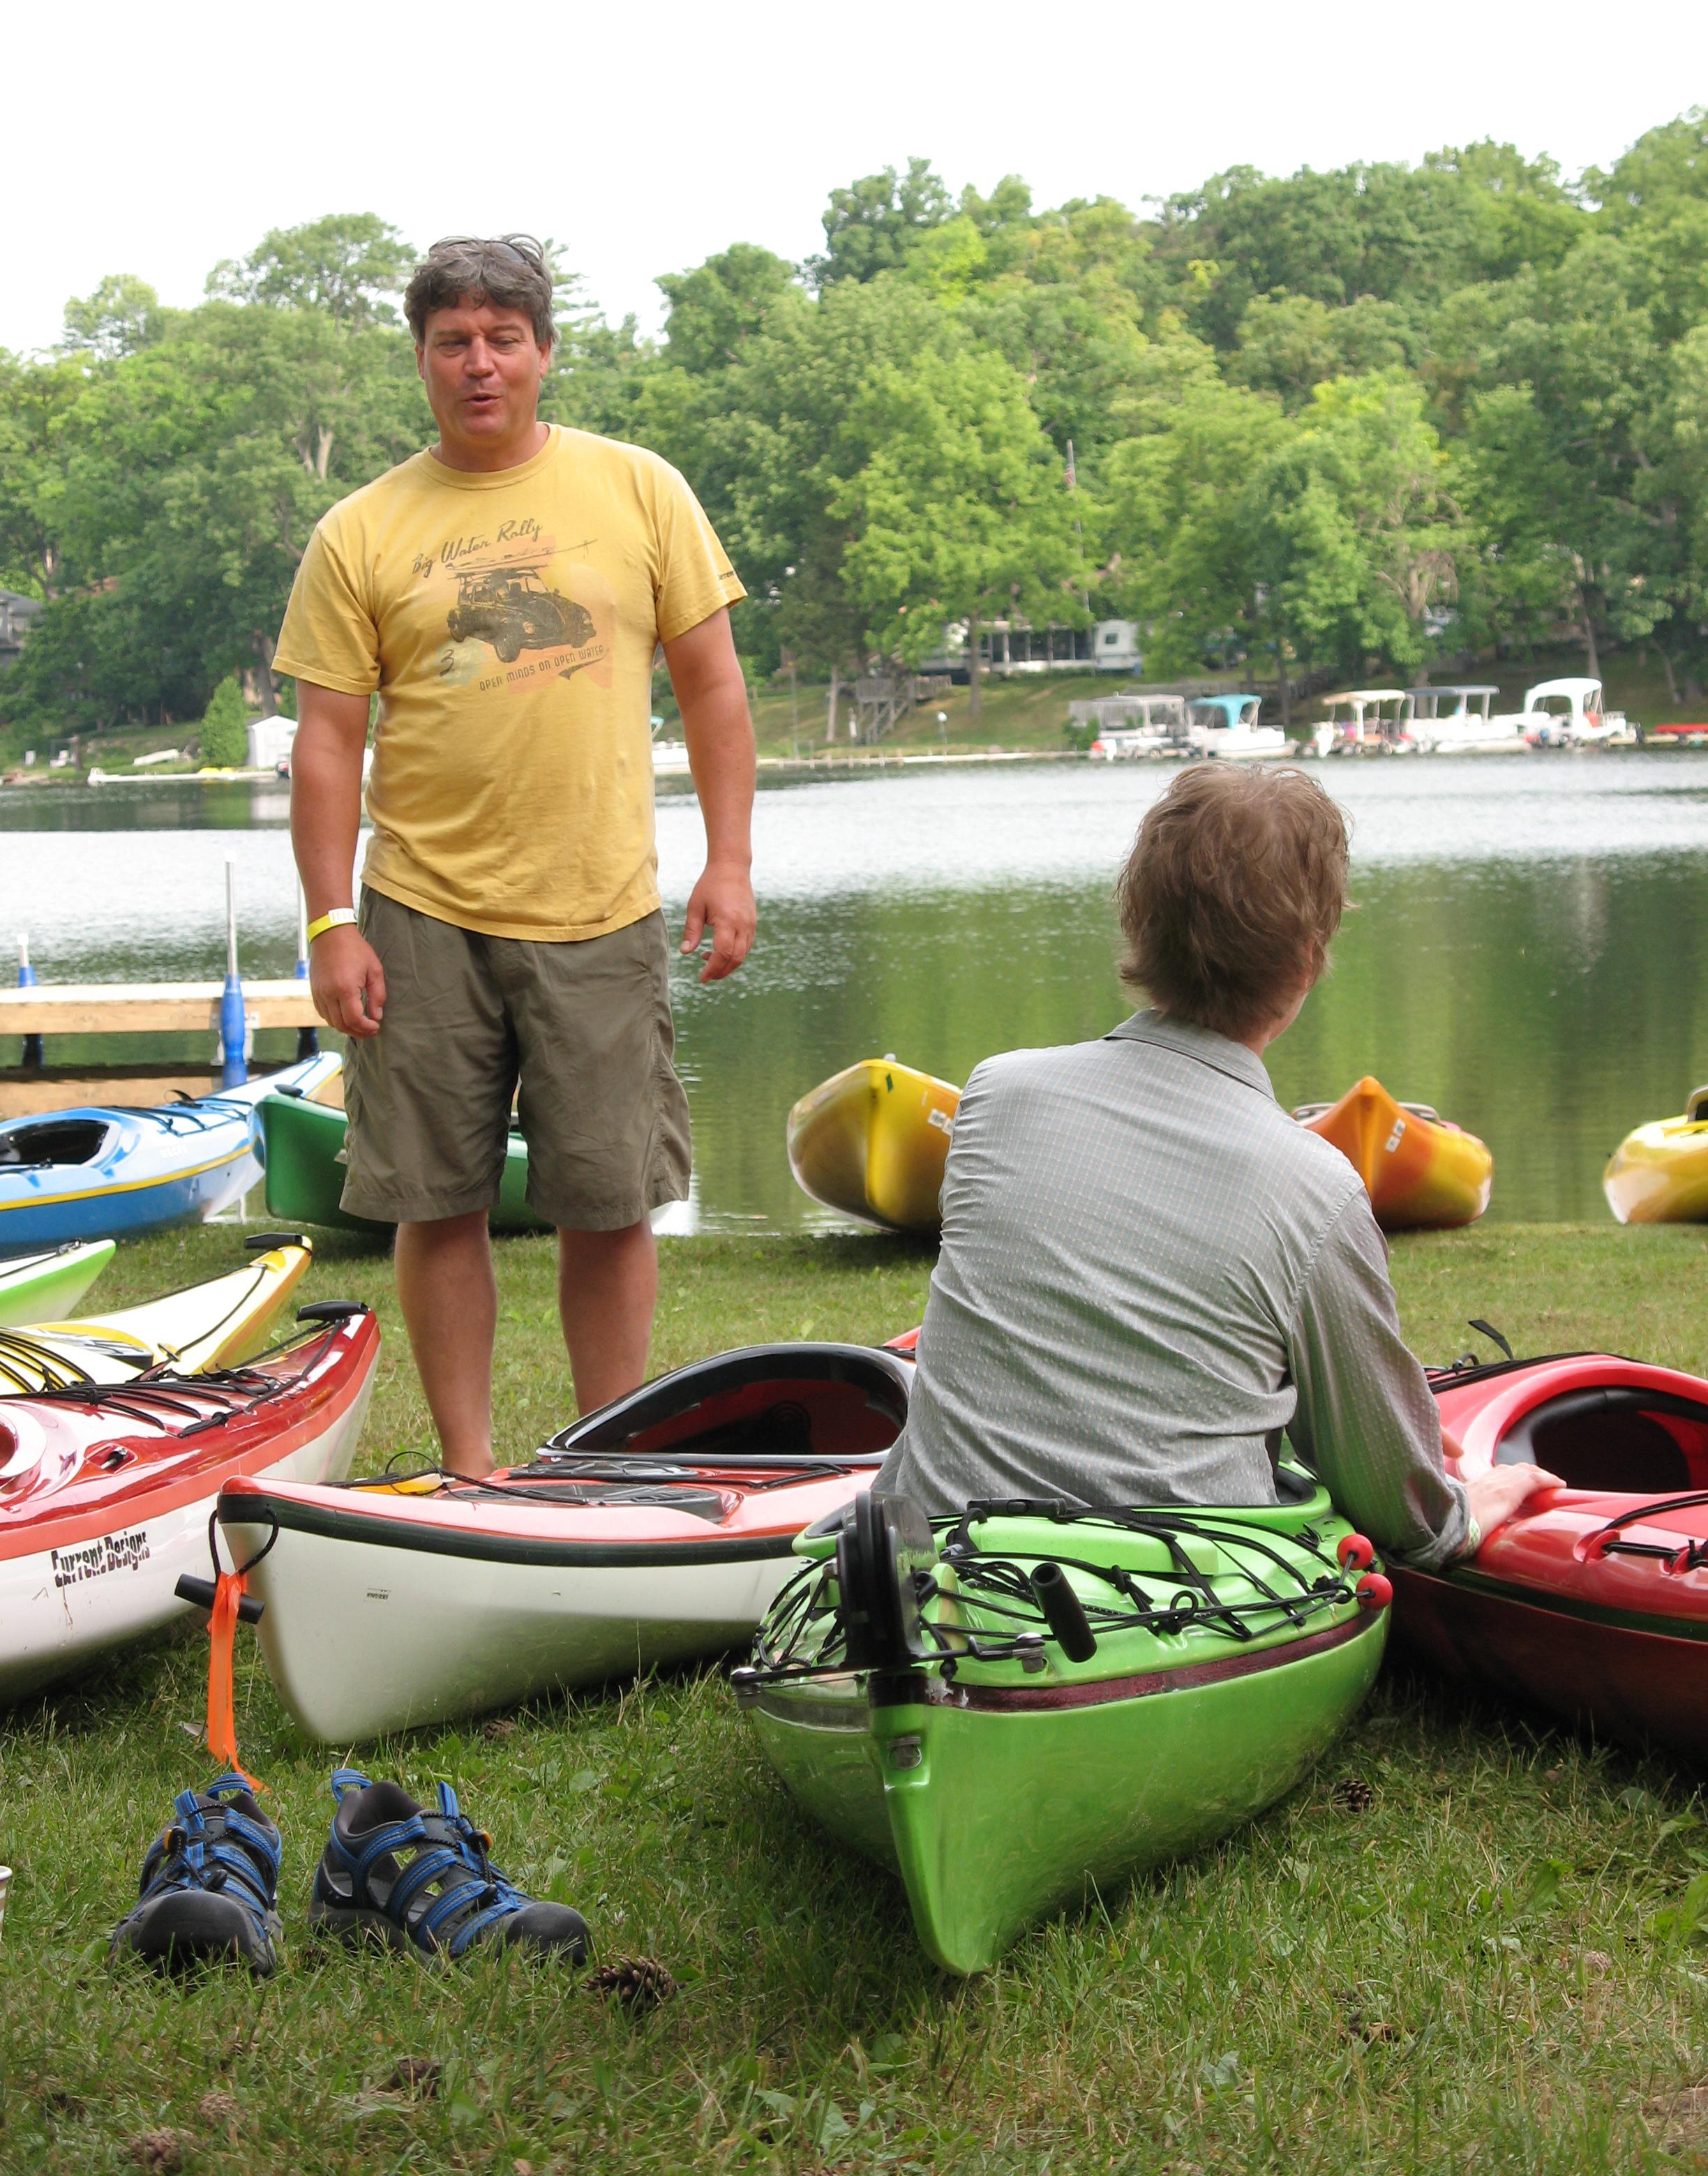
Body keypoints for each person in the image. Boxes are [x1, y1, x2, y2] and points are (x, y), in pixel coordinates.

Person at [275, 234, 755, 1475]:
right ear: (422, 359)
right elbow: (327, 744)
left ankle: (607, 1458)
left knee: (607, 1196)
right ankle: (474, 1461)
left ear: (543, 351)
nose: (478, 363)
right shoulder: (360, 529)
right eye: (452, 341)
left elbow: (710, 687)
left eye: (502, 337)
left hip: (597, 903)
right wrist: (332, 922)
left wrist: (729, 861)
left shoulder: (639, 489)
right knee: (437, 1202)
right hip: (418, 910)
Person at [875, 763, 1557, 1565]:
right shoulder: (1317, 1190)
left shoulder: (997, 1093)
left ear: (1137, 922)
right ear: (1307, 960)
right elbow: (1402, 1518)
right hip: (1160, 1603)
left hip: (936, 1563)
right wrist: (1468, 1508)